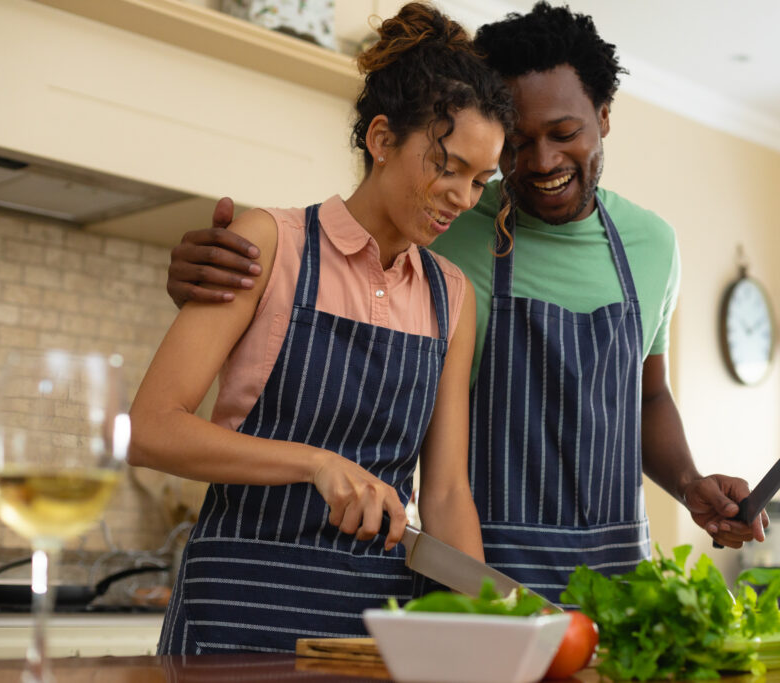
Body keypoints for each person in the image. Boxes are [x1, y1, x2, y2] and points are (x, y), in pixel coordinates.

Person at [165, 2, 767, 604]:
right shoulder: (442, 225)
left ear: (604, 117)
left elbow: (647, 393)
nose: (541, 162)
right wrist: (213, 274)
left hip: (613, 577)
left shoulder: (650, 246)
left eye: (564, 133)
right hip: (470, 565)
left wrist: (689, 482)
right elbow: (331, 257)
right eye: (517, 145)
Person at [128, 3, 515, 653]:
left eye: (481, 180)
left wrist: (487, 630)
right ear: (383, 139)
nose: (464, 197)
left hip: (375, 625)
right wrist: (313, 463)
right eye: (447, 167)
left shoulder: (453, 296)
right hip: (237, 612)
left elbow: (445, 491)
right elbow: (148, 427)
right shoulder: (272, 243)